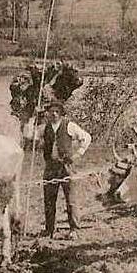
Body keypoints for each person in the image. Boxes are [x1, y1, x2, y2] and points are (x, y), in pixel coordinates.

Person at [36, 100, 92, 238]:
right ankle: (49, 230)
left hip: (66, 167)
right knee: (49, 200)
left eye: (57, 111)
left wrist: (78, 154)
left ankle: (74, 230)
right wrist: (34, 118)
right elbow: (30, 137)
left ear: (61, 113)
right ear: (47, 113)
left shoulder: (69, 126)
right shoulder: (44, 128)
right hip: (50, 167)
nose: (54, 114)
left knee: (71, 199)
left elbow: (86, 138)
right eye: (51, 111)